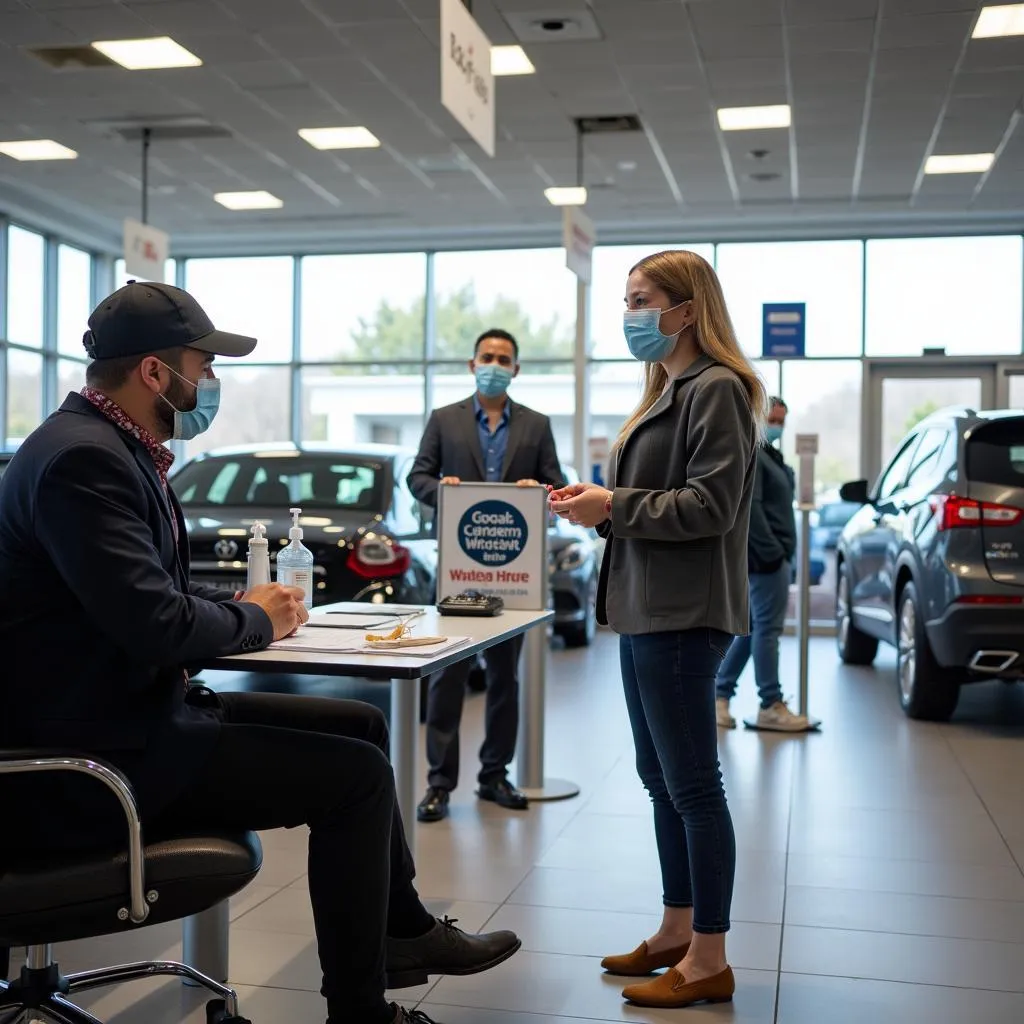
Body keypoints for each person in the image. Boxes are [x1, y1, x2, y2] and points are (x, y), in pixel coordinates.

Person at [0, 281, 520, 1024]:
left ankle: (402, 935)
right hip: (93, 759)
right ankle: (359, 1011)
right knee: (356, 779)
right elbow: (154, 625)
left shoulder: (112, 446)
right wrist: (253, 619)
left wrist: (243, 614)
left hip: (123, 713)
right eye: (202, 365)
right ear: (154, 372)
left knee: (362, 729)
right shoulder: (83, 462)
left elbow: (150, 601)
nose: (210, 381)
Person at [549, 250, 765, 1010]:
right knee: (660, 780)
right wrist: (598, 500)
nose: (631, 313)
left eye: (643, 299)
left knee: (695, 788)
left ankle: (710, 957)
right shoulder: (667, 389)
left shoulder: (719, 391)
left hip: (684, 614)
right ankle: (676, 929)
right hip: (647, 608)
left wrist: (613, 507)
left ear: (686, 307)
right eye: (628, 299)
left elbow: (711, 506)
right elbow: (655, 495)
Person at [407, 328, 564, 822]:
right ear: (472, 364)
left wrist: (536, 490)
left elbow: (556, 486)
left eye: (504, 359)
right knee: (447, 676)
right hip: (458, 571)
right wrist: (443, 490)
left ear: (516, 370)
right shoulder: (444, 420)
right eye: (487, 357)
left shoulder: (536, 426)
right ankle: (438, 784)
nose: (495, 364)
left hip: (512, 574)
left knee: (503, 678)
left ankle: (494, 774)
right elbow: (417, 477)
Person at [715, 396, 811, 732]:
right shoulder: (753, 455)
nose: (777, 426)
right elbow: (752, 512)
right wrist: (773, 553)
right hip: (765, 560)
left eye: (782, 420)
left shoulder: (773, 458)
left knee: (752, 630)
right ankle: (770, 703)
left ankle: (719, 696)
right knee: (767, 631)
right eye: (772, 418)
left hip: (771, 558)